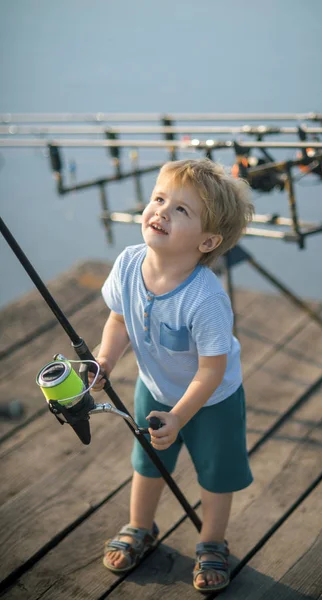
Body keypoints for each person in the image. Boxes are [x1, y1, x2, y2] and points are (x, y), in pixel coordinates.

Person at [91, 158, 254, 592]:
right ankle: (140, 527)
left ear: (207, 242)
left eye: (181, 210)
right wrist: (106, 361)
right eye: (159, 199)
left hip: (212, 399)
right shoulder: (128, 264)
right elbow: (119, 321)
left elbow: (211, 370)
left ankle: (212, 543)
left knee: (217, 476)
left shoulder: (205, 300)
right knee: (148, 463)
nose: (161, 211)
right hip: (155, 387)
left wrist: (180, 416)